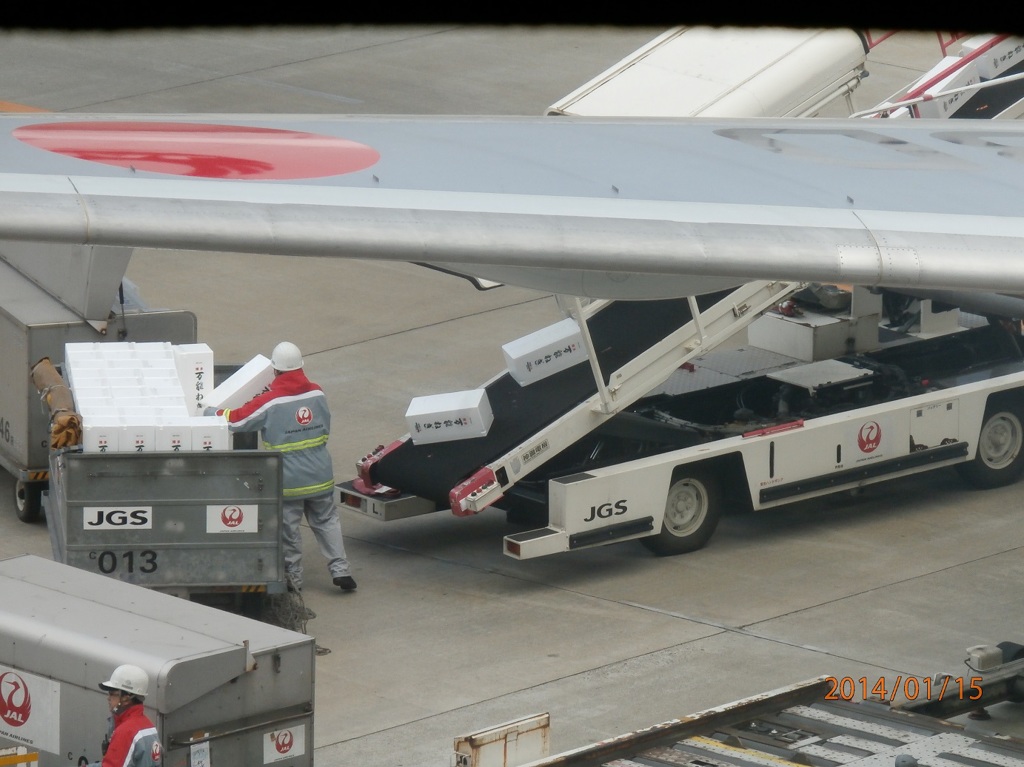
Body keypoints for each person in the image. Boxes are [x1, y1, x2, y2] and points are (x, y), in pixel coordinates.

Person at [206, 341, 356, 592]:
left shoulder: (270, 402)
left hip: (289, 480)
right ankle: (341, 570)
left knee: (289, 530)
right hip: (320, 474)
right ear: (301, 367)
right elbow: (325, 428)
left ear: (275, 371)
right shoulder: (318, 393)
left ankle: (294, 580)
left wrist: (210, 412)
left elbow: (237, 420)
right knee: (328, 522)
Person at [87, 664, 162, 767]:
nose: (108, 698)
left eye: (112, 693)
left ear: (126, 698)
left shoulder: (126, 732)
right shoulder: (148, 726)